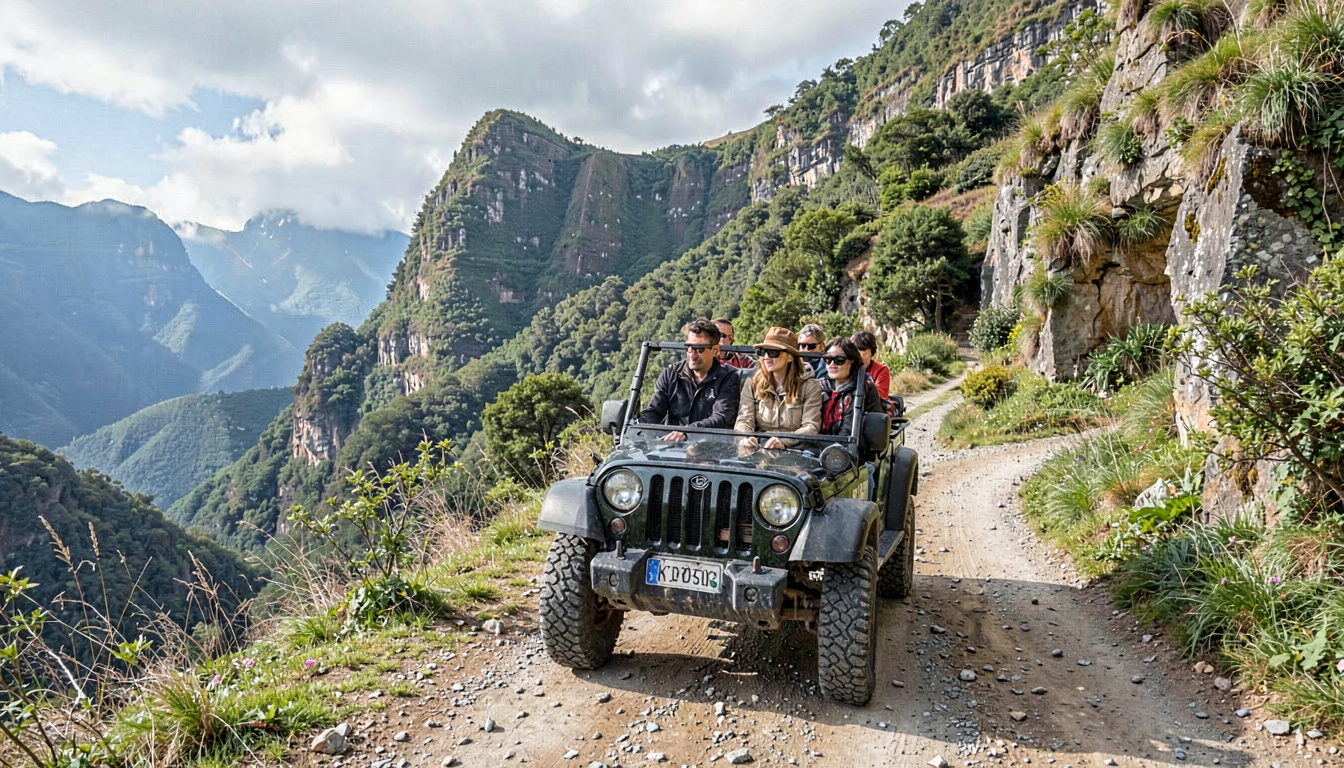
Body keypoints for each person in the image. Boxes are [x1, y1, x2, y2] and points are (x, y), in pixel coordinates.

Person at [637, 318, 741, 441]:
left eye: (699, 349)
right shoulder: (672, 373)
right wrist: (645, 435)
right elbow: (654, 411)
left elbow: (722, 418)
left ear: (715, 350)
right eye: (689, 347)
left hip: (711, 449)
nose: (692, 354)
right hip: (672, 448)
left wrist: (687, 432)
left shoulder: (729, 377)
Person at [734, 327, 823, 449]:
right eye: (763, 352)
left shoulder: (809, 386)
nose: (766, 357)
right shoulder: (753, 384)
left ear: (790, 357)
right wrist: (745, 439)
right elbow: (744, 419)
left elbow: (811, 427)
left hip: (796, 451)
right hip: (759, 448)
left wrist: (783, 442)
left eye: (773, 352)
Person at [818, 337, 883, 436]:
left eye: (839, 360)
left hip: (851, 447)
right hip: (813, 445)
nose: (832, 364)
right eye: (828, 359)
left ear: (852, 361)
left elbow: (874, 430)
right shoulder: (818, 386)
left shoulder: (865, 388)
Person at [851, 330, 892, 403]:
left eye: (864, 354)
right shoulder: (845, 369)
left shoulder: (881, 370)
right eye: (856, 355)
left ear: (871, 353)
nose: (860, 359)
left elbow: (881, 396)